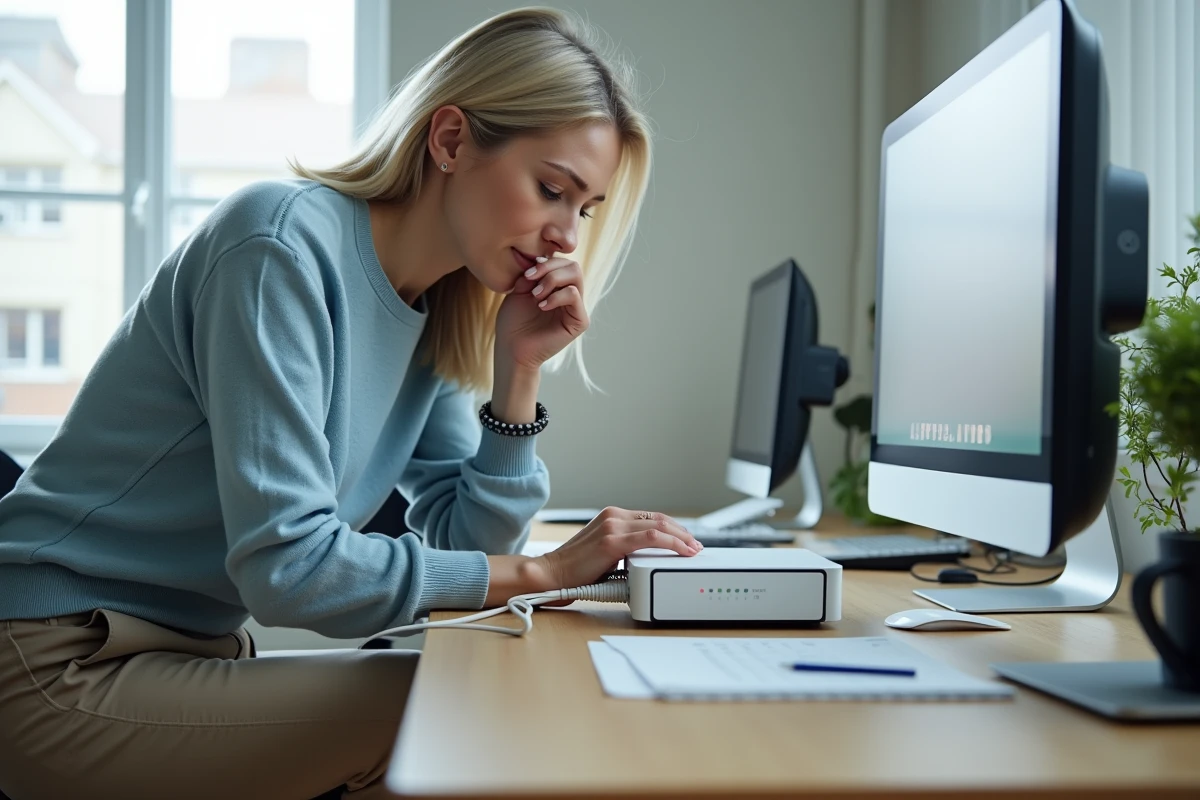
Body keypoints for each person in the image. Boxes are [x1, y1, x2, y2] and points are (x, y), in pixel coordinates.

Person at [0, 8, 702, 799]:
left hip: (179, 655)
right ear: (449, 141)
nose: (566, 237)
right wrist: (544, 568)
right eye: (551, 189)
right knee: (462, 706)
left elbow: (466, 543)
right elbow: (291, 570)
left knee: (468, 685)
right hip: (57, 664)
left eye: (586, 209)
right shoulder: (278, 248)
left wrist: (519, 375)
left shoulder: (434, 305)